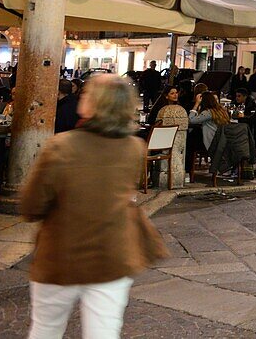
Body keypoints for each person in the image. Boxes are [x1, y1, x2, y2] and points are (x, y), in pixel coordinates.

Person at [21, 74, 168, 338]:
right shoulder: (135, 147)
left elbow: (31, 205)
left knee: (46, 329)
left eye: (88, 93)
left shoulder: (60, 146)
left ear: (98, 104)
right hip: (113, 255)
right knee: (104, 332)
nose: (82, 96)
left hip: (61, 256)